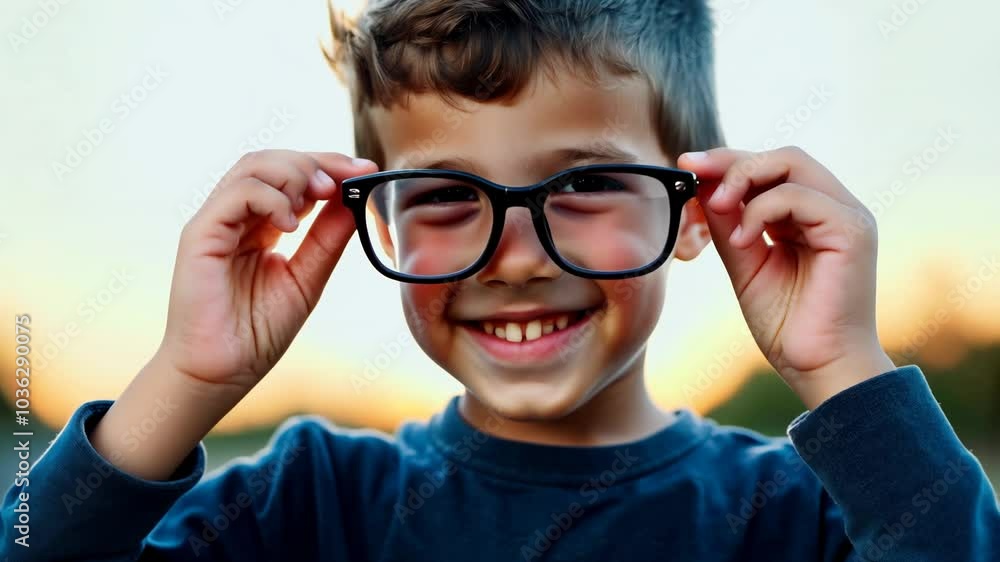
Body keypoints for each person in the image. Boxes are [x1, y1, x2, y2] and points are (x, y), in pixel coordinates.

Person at [3, 1, 998, 560]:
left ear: (698, 206)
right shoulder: (306, 505)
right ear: (376, 218)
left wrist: (843, 366)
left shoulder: (800, 516)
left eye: (587, 183)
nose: (514, 256)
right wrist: (186, 377)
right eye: (444, 196)